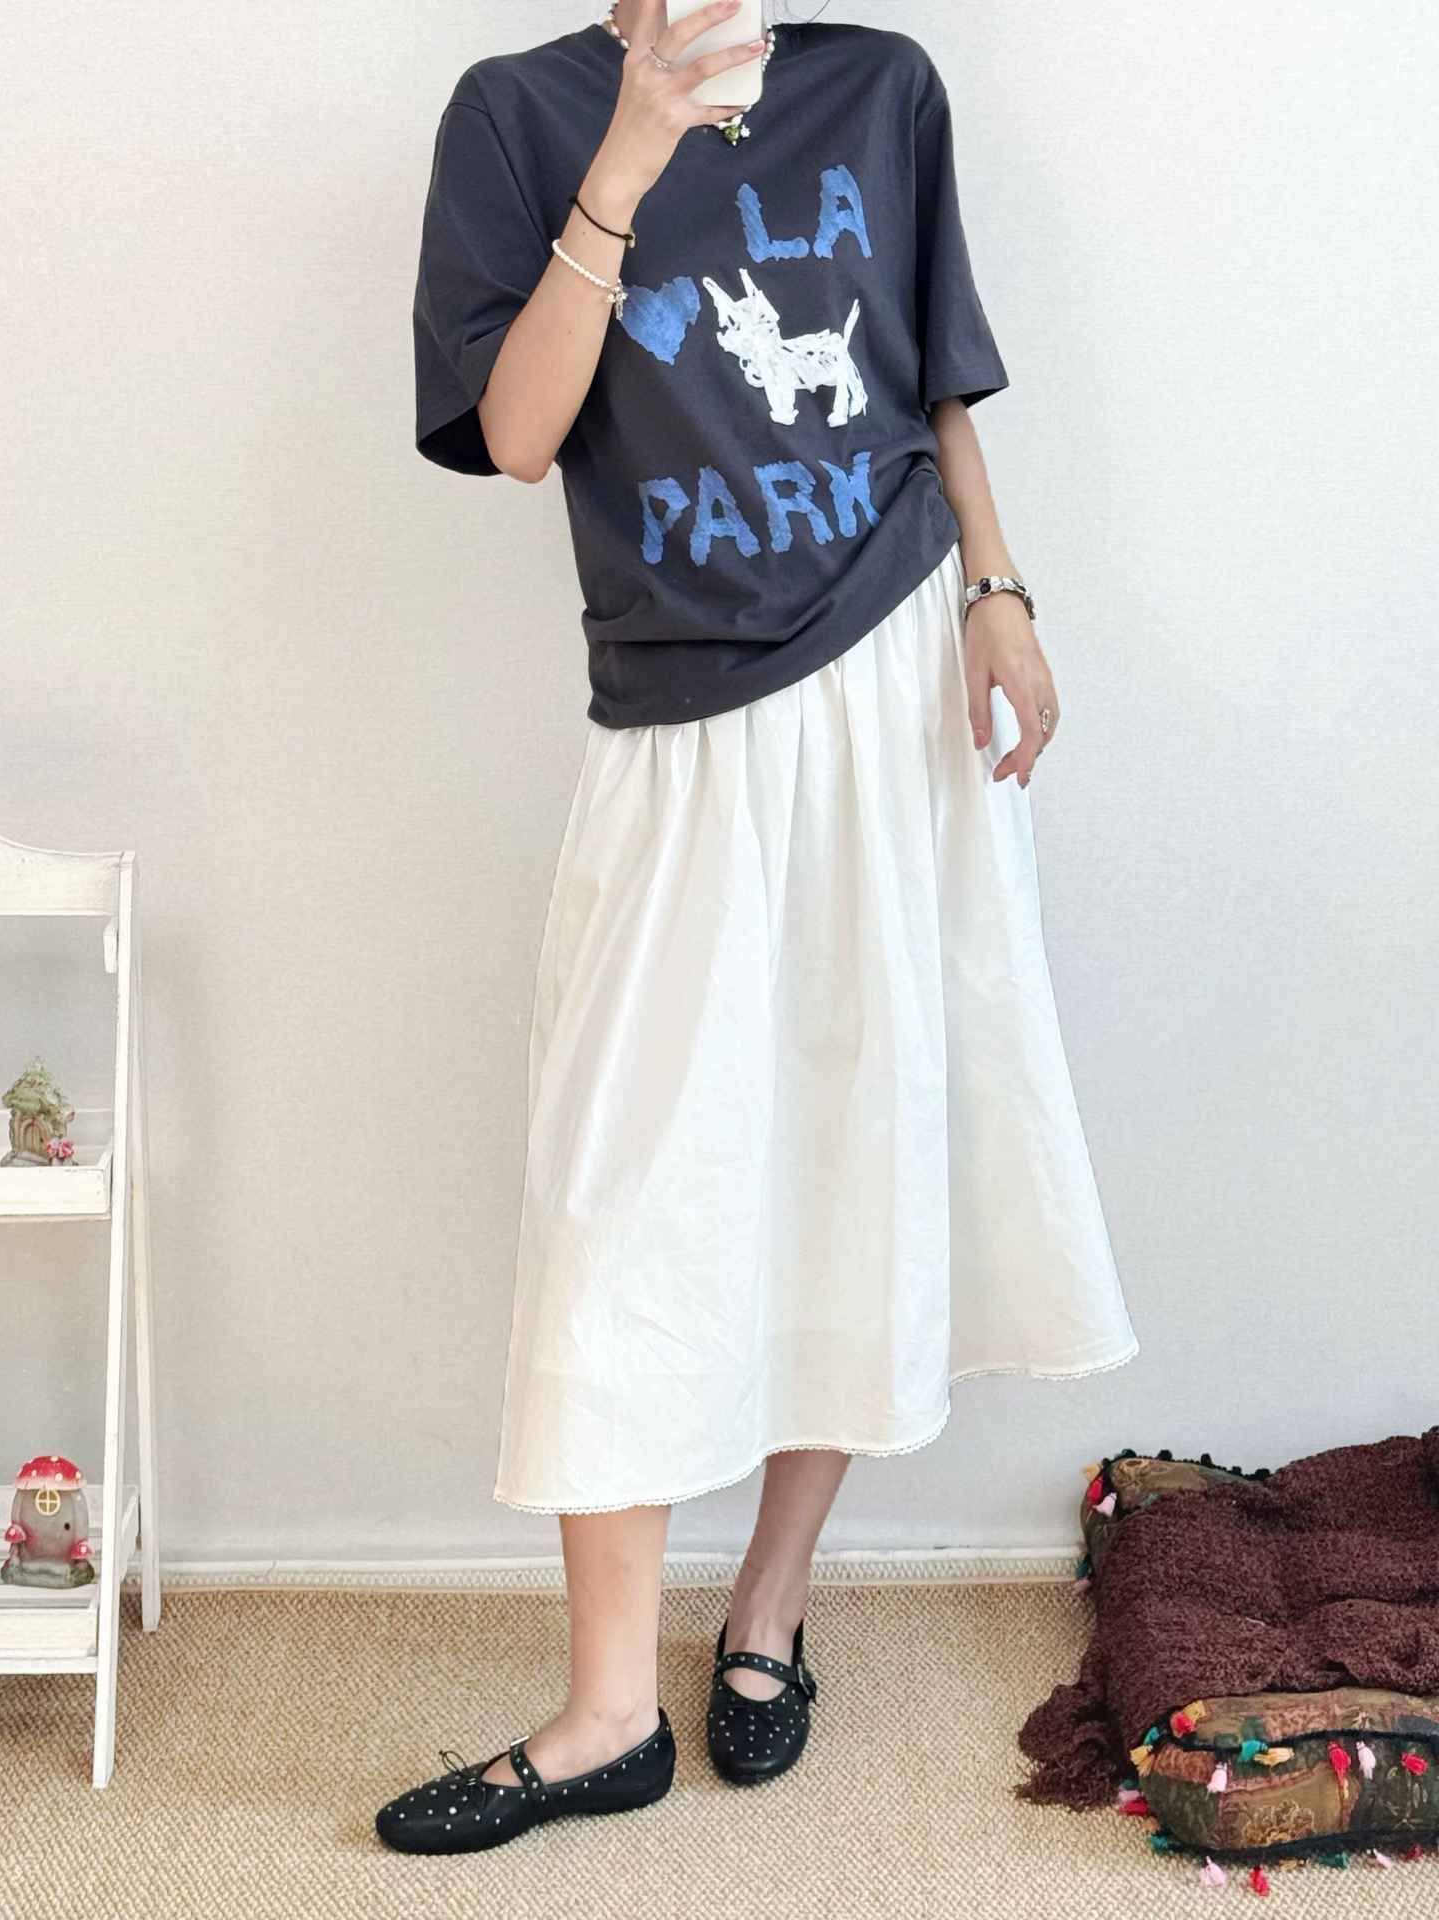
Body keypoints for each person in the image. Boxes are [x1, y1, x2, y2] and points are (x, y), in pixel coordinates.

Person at [377, 0, 1137, 1854]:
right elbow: (518, 432)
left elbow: (930, 382)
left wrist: (1001, 587)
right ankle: (608, 1712)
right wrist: (631, 154)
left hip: (895, 678)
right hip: (679, 714)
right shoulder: (518, 114)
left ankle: (770, 1611)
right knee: (619, 1183)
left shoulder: (882, 86)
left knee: (858, 1145)